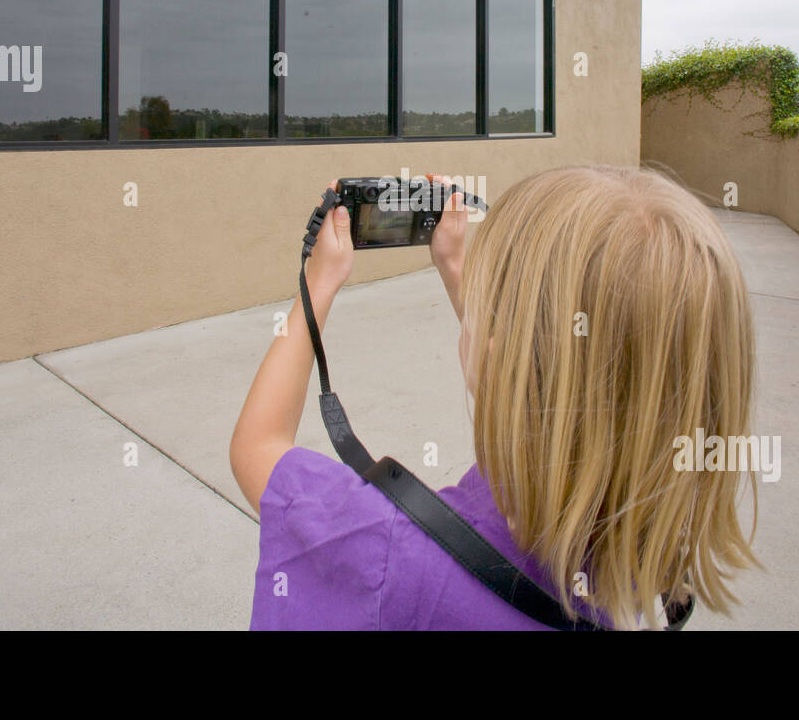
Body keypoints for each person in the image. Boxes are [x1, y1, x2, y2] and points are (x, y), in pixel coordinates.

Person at [229, 164, 761, 629]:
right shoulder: (648, 559)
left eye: (493, 295)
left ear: (493, 351)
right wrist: (457, 269)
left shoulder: (389, 553)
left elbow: (258, 448)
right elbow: (555, 393)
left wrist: (318, 283)